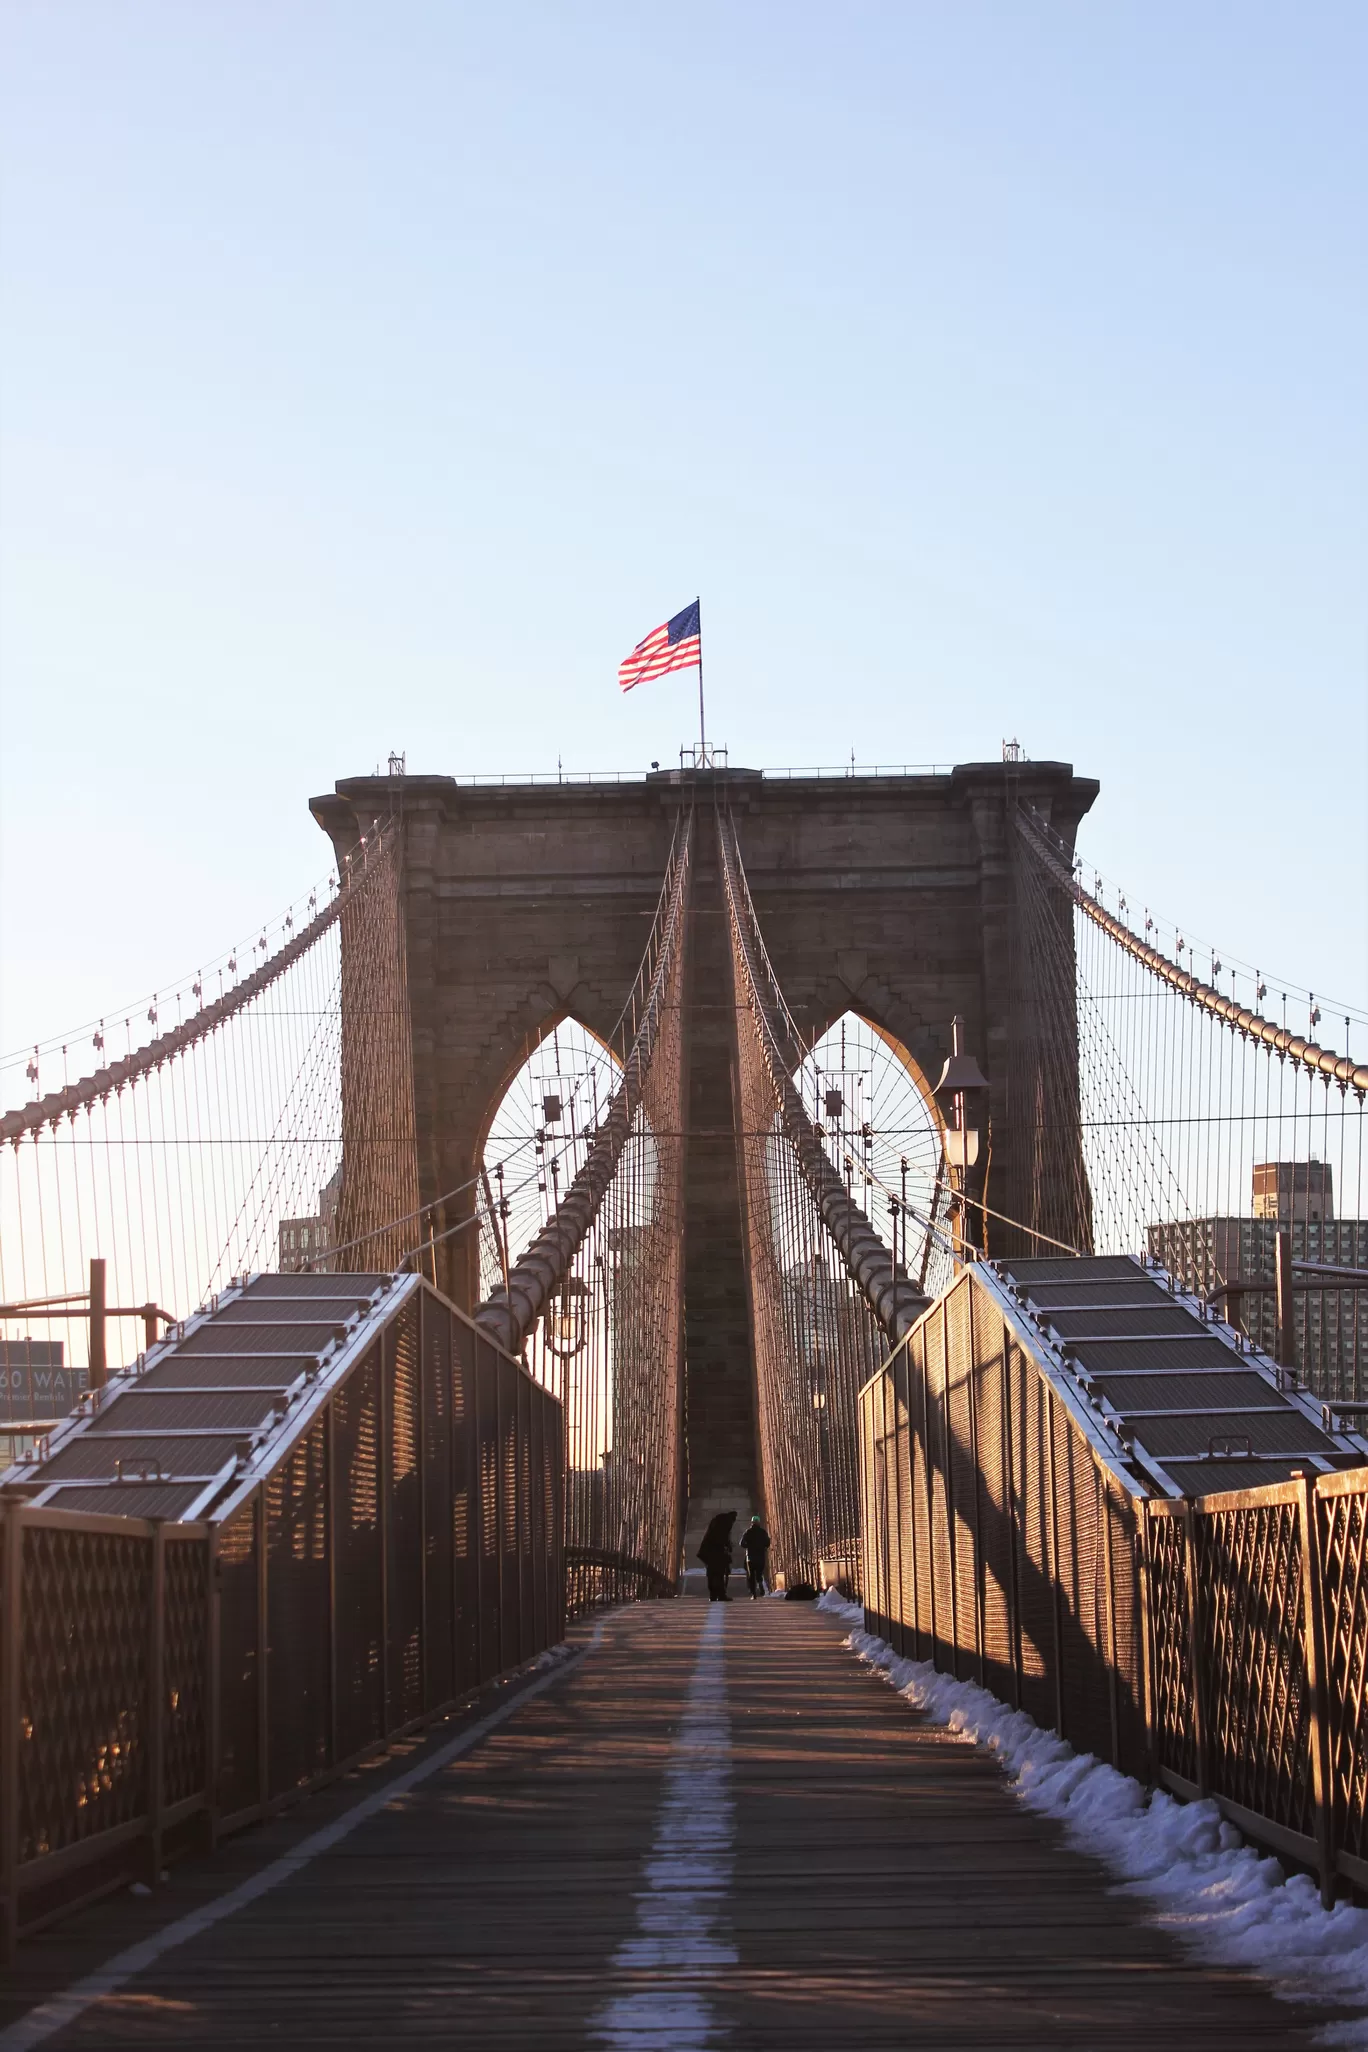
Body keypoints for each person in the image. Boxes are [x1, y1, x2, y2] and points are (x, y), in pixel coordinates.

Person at [697, 1510, 736, 1601]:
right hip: (717, 1553)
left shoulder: (717, 1522)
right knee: (719, 1574)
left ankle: (713, 1595)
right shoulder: (726, 1524)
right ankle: (721, 1595)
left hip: (708, 1553)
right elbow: (723, 1539)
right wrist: (727, 1546)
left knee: (712, 1574)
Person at [740, 1515, 771, 1599]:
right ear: (759, 1522)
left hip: (750, 1557)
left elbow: (741, 1543)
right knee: (759, 1573)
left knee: (751, 1576)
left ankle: (753, 1594)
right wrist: (762, 1547)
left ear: (752, 1522)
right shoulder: (763, 1532)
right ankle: (760, 1582)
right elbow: (768, 1543)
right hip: (760, 1556)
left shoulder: (748, 1532)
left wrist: (748, 1546)